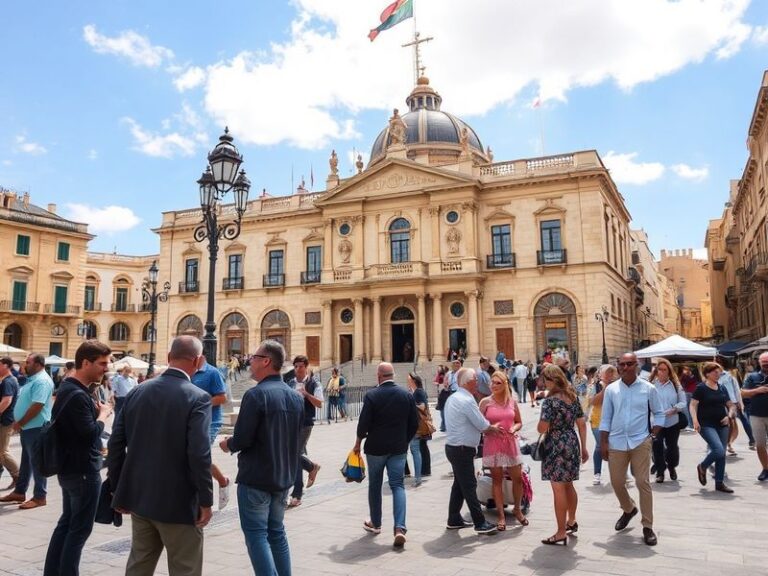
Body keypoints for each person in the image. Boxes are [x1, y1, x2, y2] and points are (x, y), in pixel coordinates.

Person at [107, 336, 213, 576]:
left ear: (168, 358)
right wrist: (206, 500)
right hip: (180, 502)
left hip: (140, 497)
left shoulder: (136, 392)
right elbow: (199, 454)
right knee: (185, 567)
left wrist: (118, 488)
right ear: (198, 361)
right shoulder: (198, 398)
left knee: (139, 563)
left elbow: (116, 444)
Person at [220, 340, 303, 575]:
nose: (250, 361)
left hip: (256, 477)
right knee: (277, 532)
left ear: (266, 361)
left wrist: (227, 444)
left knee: (257, 535)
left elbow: (243, 439)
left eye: (254, 357)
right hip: (282, 478)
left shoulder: (255, 395)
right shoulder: (295, 397)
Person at [44, 340, 112, 576]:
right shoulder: (76, 394)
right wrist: (103, 415)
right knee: (79, 529)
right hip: (82, 470)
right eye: (102, 363)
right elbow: (89, 435)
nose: (107, 368)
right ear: (86, 362)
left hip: (70, 468)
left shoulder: (69, 388)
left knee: (67, 524)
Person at [600, 353, 664, 546]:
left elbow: (659, 413)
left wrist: (653, 434)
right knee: (617, 482)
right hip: (616, 442)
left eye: (629, 364)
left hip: (640, 441)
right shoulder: (611, 390)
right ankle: (629, 509)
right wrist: (603, 443)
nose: (625, 367)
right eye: (622, 364)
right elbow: (606, 418)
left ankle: (647, 526)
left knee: (643, 482)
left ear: (637, 365)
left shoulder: (648, 389)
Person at [353, 362, 418, 548]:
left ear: (379, 376)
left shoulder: (372, 395)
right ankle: (399, 528)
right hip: (398, 448)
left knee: (375, 485)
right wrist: (404, 440)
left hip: (375, 448)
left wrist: (358, 443)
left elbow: (363, 424)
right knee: (398, 485)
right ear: (393, 375)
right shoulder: (406, 395)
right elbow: (414, 423)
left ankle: (376, 523)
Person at [443, 367, 501, 535]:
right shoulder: (467, 400)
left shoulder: (453, 397)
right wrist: (494, 428)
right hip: (462, 449)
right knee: (469, 485)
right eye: (476, 380)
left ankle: (453, 519)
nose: (478, 383)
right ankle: (480, 522)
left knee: (459, 485)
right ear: (468, 382)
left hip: (453, 447)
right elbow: (482, 424)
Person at [537, 365, 588, 545]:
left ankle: (560, 532)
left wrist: (543, 424)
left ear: (551, 380)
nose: (544, 382)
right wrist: (584, 448)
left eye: (545, 379)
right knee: (568, 485)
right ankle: (571, 521)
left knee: (558, 489)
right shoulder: (572, 397)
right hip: (572, 442)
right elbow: (581, 424)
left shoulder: (549, 401)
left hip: (556, 444)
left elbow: (542, 428)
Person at [0, 353, 54, 509]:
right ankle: (20, 491)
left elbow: (38, 405)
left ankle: (40, 496)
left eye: (28, 362)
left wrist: (21, 422)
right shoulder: (33, 380)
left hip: (36, 427)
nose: (25, 364)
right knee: (26, 462)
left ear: (38, 364)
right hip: (28, 427)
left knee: (37, 462)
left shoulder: (42, 381)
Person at [479, 370, 527, 531]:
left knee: (518, 478)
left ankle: (517, 509)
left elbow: (519, 421)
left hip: (510, 443)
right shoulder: (485, 402)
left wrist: (514, 428)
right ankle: (501, 515)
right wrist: (489, 428)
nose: (493, 385)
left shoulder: (512, 402)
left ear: (505, 384)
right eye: (492, 382)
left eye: (497, 383)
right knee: (497, 480)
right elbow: (479, 425)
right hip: (493, 443)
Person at [191, 356, 231, 510]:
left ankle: (216, 486)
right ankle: (222, 481)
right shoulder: (189, 371)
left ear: (200, 355)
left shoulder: (212, 373)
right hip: (193, 421)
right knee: (198, 457)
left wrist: (200, 403)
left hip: (211, 422)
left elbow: (222, 397)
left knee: (199, 456)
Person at [690, 362, 736, 493]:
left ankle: (719, 483)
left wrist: (730, 416)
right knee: (718, 449)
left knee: (722, 455)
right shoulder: (701, 388)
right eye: (715, 372)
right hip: (706, 424)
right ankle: (702, 466)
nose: (718, 374)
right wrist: (695, 420)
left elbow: (731, 405)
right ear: (707, 373)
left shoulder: (722, 388)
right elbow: (693, 405)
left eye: (719, 372)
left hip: (722, 424)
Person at [287, 355, 323, 509]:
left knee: (293, 455)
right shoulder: (289, 383)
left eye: (301, 366)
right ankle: (311, 466)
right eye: (295, 366)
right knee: (295, 455)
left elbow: (320, 403)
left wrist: (306, 394)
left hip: (305, 423)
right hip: (291, 423)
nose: (298, 369)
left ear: (306, 367)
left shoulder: (314, 383)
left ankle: (297, 494)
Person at [649, 358, 686, 483]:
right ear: (656, 371)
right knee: (657, 446)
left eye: (665, 370)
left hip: (672, 422)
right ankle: (660, 471)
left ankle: (671, 467)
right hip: (656, 422)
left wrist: (674, 409)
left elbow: (683, 402)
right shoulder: (651, 385)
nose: (662, 372)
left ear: (669, 372)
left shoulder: (676, 385)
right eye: (660, 369)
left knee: (672, 448)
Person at [742, 351, 768, 481]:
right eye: (764, 364)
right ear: (760, 363)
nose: (766, 366)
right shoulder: (752, 377)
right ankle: (766, 468)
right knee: (760, 445)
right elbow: (743, 393)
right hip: (756, 415)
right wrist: (758, 390)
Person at [588, 364, 612, 485]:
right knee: (600, 445)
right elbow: (593, 401)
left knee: (614, 446)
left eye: (611, 373)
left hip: (614, 422)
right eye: (607, 373)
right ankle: (597, 473)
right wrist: (605, 389)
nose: (609, 375)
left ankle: (618, 472)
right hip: (598, 421)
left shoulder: (618, 386)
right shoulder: (595, 386)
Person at [407, 372, 431, 487]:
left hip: (417, 424)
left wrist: (410, 403)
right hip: (416, 424)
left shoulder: (419, 392)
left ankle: (419, 476)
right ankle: (420, 474)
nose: (408, 381)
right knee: (418, 449)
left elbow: (422, 407)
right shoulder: (415, 392)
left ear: (414, 381)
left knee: (416, 450)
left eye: (409, 379)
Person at [0, 357, 20, 491]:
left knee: (3, 452)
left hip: (5, 421)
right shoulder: (10, 380)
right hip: (7, 420)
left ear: (6, 366)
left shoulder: (8, 381)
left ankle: (18, 477)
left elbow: (6, 400)